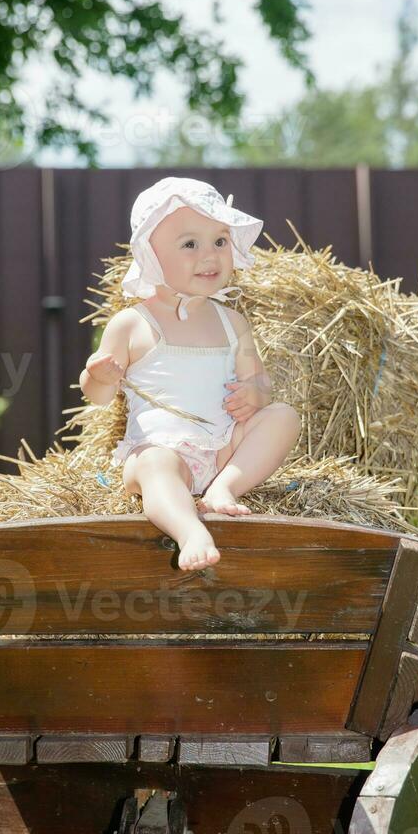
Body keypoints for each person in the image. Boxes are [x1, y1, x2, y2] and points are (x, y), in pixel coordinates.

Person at [80, 176, 301, 571]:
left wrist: (256, 396)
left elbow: (260, 382)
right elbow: (96, 397)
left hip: (222, 448)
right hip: (160, 450)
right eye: (189, 244)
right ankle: (189, 530)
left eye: (220, 241)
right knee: (155, 466)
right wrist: (100, 376)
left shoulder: (233, 322)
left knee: (284, 417)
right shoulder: (132, 323)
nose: (210, 256)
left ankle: (224, 488)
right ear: (151, 256)